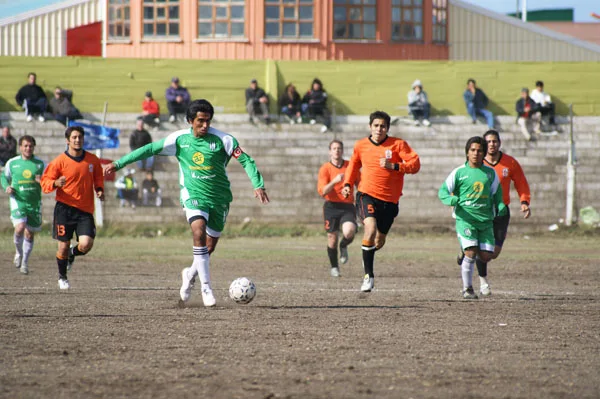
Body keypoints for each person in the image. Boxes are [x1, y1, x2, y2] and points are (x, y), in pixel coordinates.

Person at [102, 99, 269, 307]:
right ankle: (206, 288)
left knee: (209, 247)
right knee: (197, 231)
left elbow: (246, 160)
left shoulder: (223, 140)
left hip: (219, 198)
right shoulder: (179, 139)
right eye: (200, 121)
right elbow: (149, 149)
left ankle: (189, 275)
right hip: (192, 194)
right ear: (190, 120)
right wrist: (118, 163)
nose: (205, 125)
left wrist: (257, 184)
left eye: (208, 121)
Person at [341, 111, 420, 292]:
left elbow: (415, 164)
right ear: (370, 127)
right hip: (366, 194)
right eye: (376, 125)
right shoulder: (360, 145)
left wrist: (395, 166)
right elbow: (353, 166)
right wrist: (347, 184)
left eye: (382, 126)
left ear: (387, 128)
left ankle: (367, 253)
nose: (379, 129)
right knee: (370, 228)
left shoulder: (398, 145)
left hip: (390, 201)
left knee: (379, 240)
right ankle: (368, 276)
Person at [438, 136, 506, 299]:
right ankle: (467, 289)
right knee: (471, 252)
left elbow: (497, 193)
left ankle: (465, 249)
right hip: (465, 219)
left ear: (484, 153)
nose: (476, 153)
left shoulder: (490, 174)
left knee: (486, 256)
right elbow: (442, 192)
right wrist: (451, 200)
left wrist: (501, 204)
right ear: (467, 153)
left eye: (479, 151)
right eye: (472, 150)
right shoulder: (459, 172)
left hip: (485, 221)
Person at [41, 126, 105, 290]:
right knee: (62, 245)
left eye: (80, 137)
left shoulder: (92, 160)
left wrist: (99, 190)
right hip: (64, 209)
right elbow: (45, 182)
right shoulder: (59, 162)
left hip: (84, 211)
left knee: (86, 244)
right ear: (67, 140)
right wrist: (55, 183)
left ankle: (71, 254)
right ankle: (62, 277)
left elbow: (98, 178)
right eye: (74, 137)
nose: (77, 140)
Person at [475, 130, 531, 296]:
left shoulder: (510, 163)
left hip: (501, 211)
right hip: (481, 211)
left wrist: (524, 202)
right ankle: (483, 281)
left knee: (493, 253)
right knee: (482, 251)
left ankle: (468, 250)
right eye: (489, 141)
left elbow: (521, 182)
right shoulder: (477, 162)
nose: (492, 144)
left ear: (499, 143)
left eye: (495, 141)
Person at [1, 135, 45, 275]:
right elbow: (3, 176)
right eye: (25, 146)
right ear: (20, 147)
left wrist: (42, 180)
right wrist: (6, 187)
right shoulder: (12, 163)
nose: (28, 148)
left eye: (30, 146)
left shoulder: (40, 164)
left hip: (34, 203)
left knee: (29, 233)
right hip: (18, 200)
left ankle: (25, 262)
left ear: (34, 147)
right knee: (20, 227)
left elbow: (50, 180)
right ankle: (18, 253)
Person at [317, 140, 358, 278]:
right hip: (331, 206)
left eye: (339, 148)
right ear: (330, 151)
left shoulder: (350, 166)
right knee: (332, 238)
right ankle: (334, 267)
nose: (337, 151)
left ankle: (344, 245)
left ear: (342, 150)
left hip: (347, 206)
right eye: (334, 148)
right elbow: (322, 191)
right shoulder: (325, 169)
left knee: (349, 232)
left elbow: (360, 183)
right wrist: (334, 181)